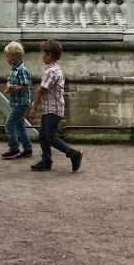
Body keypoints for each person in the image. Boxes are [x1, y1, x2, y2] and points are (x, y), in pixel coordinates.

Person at [27, 39, 82, 173]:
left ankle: (73, 154)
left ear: (49, 54)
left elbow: (41, 90)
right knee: (43, 135)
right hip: (51, 108)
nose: (42, 55)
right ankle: (46, 160)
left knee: (49, 136)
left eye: (43, 53)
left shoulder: (51, 71)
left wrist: (34, 107)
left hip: (52, 109)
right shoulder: (54, 69)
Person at [2, 41, 33, 160]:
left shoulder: (22, 70)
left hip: (21, 102)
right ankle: (27, 148)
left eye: (7, 56)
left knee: (9, 125)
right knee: (20, 126)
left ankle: (14, 148)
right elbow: (8, 79)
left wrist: (13, 90)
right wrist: (9, 86)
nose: (6, 58)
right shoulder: (14, 69)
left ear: (14, 56)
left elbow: (25, 86)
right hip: (16, 102)